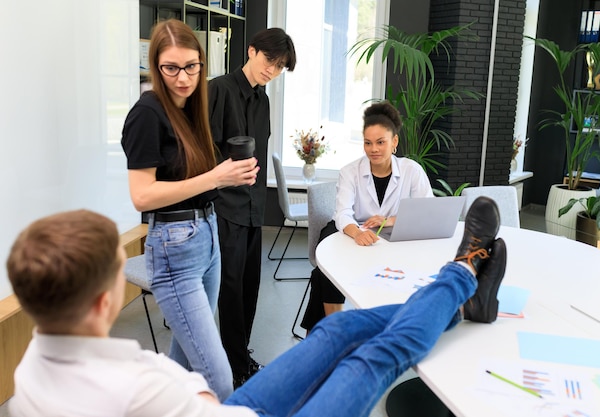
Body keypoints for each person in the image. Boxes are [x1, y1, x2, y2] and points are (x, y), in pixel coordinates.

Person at [8, 196, 506, 417]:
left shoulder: (32, 368)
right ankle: (463, 272)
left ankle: (461, 306)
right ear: (104, 301)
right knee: (373, 356)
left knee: (336, 330)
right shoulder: (134, 388)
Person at [120, 19, 259, 400]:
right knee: (217, 379)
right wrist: (216, 178)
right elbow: (142, 196)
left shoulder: (191, 107)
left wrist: (228, 176)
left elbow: (193, 178)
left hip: (207, 236)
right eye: (171, 68)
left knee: (180, 368)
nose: (183, 78)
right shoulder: (147, 112)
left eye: (191, 66)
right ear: (156, 66)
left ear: (202, 63)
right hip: (173, 247)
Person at [207, 27, 297, 387]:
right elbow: (207, 151)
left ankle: (239, 355)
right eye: (269, 61)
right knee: (229, 288)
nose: (272, 71)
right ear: (251, 51)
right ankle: (234, 365)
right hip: (225, 206)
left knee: (249, 285)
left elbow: (260, 153)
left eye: (279, 67)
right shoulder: (219, 90)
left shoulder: (263, 100)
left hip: (252, 207)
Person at [301, 100, 434, 331]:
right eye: (368, 143)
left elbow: (427, 212)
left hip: (390, 234)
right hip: (347, 231)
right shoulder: (350, 171)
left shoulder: (412, 171)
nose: (374, 149)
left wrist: (391, 220)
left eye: (381, 142)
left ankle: (328, 331)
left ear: (394, 142)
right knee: (328, 269)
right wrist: (357, 233)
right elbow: (342, 213)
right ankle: (335, 329)